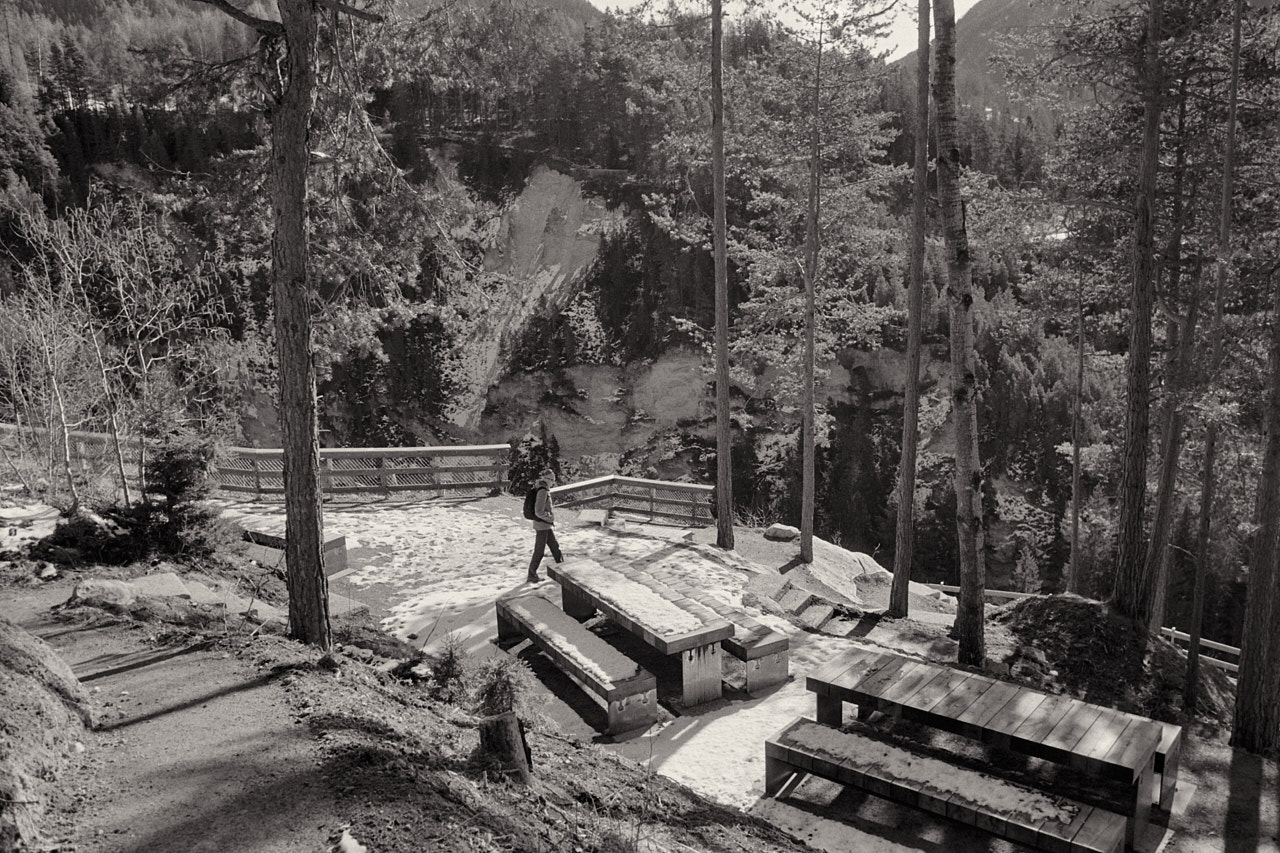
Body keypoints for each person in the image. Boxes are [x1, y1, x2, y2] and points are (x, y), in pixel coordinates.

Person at [527, 469, 563, 582]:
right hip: (542, 525)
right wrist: (550, 518)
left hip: (544, 525)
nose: (553, 482)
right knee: (539, 551)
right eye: (551, 480)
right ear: (546, 479)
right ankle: (532, 574)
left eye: (553, 479)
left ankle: (563, 569)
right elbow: (538, 511)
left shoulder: (542, 488)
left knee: (555, 547)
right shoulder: (542, 491)